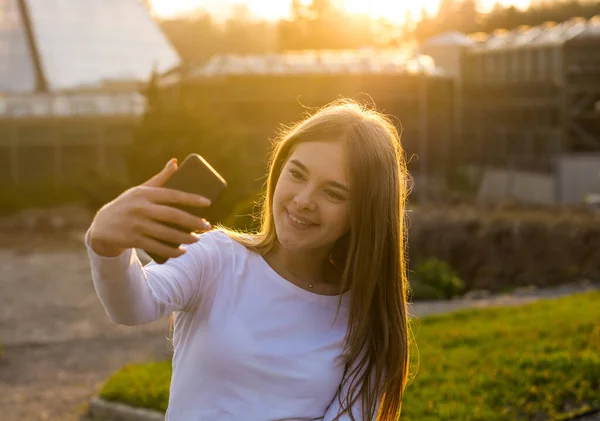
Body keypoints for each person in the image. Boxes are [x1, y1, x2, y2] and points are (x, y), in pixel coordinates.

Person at [86, 99, 414, 421]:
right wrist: (106, 244)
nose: (303, 200)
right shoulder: (216, 256)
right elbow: (132, 305)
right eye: (297, 174)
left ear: (363, 213)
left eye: (333, 193)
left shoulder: (365, 319)